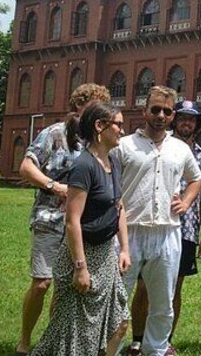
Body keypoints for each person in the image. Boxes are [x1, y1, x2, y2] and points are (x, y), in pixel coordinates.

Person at [15, 83, 110, 356]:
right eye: (92, 106)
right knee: (42, 283)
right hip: (49, 219)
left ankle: (53, 343)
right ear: (79, 105)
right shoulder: (55, 133)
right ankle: (24, 340)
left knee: (64, 287)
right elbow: (26, 167)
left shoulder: (97, 142)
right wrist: (54, 186)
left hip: (79, 226)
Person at [31, 101, 131, 355]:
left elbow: (118, 206)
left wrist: (124, 249)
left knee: (119, 323)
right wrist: (80, 267)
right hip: (83, 254)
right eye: (118, 124)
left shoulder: (113, 162)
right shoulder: (84, 166)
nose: (122, 130)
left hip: (105, 255)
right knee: (73, 336)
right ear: (100, 126)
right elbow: (72, 221)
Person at [115, 86, 201, 356]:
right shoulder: (124, 146)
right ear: (145, 112)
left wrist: (186, 202)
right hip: (129, 232)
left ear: (172, 115)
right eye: (155, 110)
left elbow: (196, 178)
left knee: (163, 300)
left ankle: (156, 349)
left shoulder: (180, 149)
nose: (161, 115)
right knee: (117, 297)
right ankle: (110, 348)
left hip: (166, 232)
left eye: (166, 111)